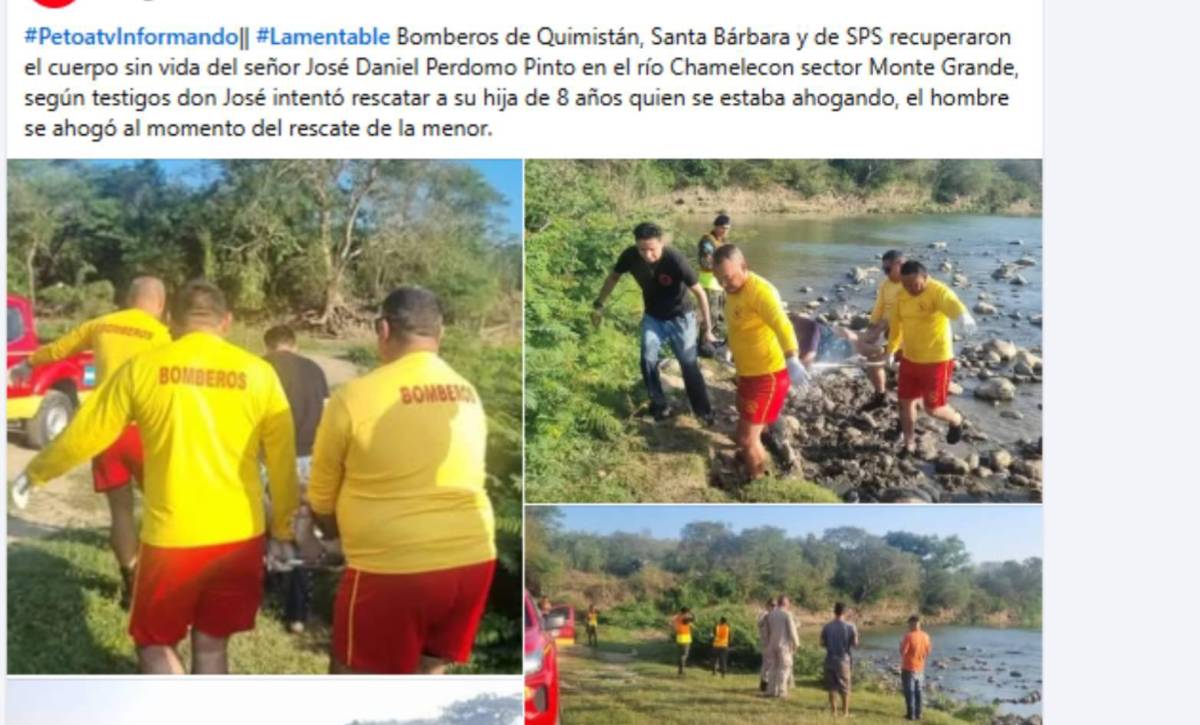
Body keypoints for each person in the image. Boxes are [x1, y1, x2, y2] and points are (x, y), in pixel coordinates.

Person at [12, 280, 300, 674]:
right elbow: (282, 462)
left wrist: (36, 472)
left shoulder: (142, 368)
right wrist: (282, 530)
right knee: (213, 645)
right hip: (240, 538)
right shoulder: (260, 374)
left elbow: (87, 432)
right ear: (227, 322)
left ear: (169, 321)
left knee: (154, 644)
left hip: (173, 539)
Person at [308, 286, 496, 675]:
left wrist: (332, 532)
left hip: (394, 570)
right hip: (473, 561)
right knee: (428, 675)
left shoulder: (354, 397)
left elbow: (322, 494)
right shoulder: (468, 392)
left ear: (382, 329)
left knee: (354, 680)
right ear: (439, 334)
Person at [9, 276, 170, 609]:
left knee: (121, 513)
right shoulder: (162, 336)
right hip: (147, 433)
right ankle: (158, 583)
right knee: (162, 511)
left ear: (128, 298)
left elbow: (60, 348)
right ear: (161, 304)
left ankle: (130, 583)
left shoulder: (103, 324)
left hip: (105, 431)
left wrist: (28, 363)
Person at [592, 222, 716, 423]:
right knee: (647, 360)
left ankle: (703, 412)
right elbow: (613, 277)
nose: (647, 255)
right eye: (642, 249)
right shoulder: (630, 256)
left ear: (661, 243)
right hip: (653, 317)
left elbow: (700, 293)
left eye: (652, 249)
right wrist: (599, 304)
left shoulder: (674, 259)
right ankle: (659, 405)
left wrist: (707, 328)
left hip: (681, 318)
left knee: (688, 364)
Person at [711, 245, 809, 479]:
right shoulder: (733, 290)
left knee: (746, 439)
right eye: (719, 279)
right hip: (747, 373)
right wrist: (727, 346)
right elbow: (738, 326)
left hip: (769, 376)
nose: (724, 284)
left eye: (728, 277)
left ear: (744, 267)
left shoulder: (761, 292)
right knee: (746, 419)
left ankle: (758, 480)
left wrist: (792, 357)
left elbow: (782, 325)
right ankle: (767, 450)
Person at [263, 324, 330, 635]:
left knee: (264, 523)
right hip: (310, 457)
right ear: (295, 345)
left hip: (267, 458)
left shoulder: (260, 367)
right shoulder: (315, 369)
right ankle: (297, 614)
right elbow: (328, 414)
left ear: (269, 346)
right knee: (303, 529)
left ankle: (263, 588)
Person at [887, 260, 977, 457]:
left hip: (937, 360)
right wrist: (891, 350)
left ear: (925, 278)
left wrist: (962, 315)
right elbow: (895, 326)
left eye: (915, 284)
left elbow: (951, 302)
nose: (910, 289)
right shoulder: (901, 296)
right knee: (905, 402)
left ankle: (955, 420)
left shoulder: (937, 291)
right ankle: (909, 444)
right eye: (906, 285)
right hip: (910, 358)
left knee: (933, 409)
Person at [861, 250, 907, 411]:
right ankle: (880, 395)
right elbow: (879, 307)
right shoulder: (886, 285)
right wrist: (872, 327)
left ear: (899, 265)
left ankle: (907, 406)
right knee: (874, 359)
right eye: (884, 270)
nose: (885, 273)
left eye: (888, 270)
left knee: (906, 370)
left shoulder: (911, 283)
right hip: (887, 329)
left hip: (906, 331)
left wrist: (884, 326)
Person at [820, 602, 860, 717]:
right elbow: (855, 644)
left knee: (832, 686)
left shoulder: (827, 626)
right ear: (845, 612)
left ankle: (834, 712)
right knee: (845, 687)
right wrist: (856, 635)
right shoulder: (850, 626)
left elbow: (821, 643)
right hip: (843, 660)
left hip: (829, 658)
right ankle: (845, 712)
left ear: (834, 611)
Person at [697, 213, 731, 342]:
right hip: (709, 283)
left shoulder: (723, 241)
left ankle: (715, 340)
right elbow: (705, 262)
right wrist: (723, 269)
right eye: (723, 227)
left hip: (720, 285)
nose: (725, 231)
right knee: (710, 315)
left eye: (727, 228)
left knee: (721, 315)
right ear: (716, 227)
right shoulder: (707, 241)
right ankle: (704, 342)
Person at [763, 595, 800, 697]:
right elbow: (792, 631)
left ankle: (771, 690)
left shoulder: (770, 615)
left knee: (773, 668)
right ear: (785, 603)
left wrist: (767, 644)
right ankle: (782, 691)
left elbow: (766, 632)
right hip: (784, 645)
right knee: (784, 668)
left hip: (772, 644)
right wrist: (796, 644)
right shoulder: (787, 615)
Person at [900, 615, 934, 720]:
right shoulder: (926, 636)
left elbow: (903, 652)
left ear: (913, 623)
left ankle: (911, 714)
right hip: (920, 668)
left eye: (909, 623)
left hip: (908, 667)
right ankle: (919, 713)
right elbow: (928, 652)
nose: (908, 626)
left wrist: (900, 646)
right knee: (919, 691)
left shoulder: (909, 636)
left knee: (909, 692)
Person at [757, 598, 775, 692]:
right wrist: (766, 617)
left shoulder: (774, 615)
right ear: (767, 605)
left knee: (770, 664)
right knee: (767, 664)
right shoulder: (764, 614)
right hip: (766, 642)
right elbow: (759, 624)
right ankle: (764, 684)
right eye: (771, 605)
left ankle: (767, 684)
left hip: (772, 642)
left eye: (774, 605)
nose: (773, 607)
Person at [672, 607, 696, 675]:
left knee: (680, 654)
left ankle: (680, 669)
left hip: (679, 637)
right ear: (686, 612)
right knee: (684, 655)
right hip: (685, 638)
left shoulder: (678, 617)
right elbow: (693, 619)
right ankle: (681, 670)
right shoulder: (684, 618)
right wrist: (691, 612)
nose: (688, 614)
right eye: (688, 613)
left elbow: (673, 620)